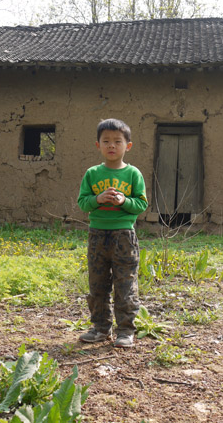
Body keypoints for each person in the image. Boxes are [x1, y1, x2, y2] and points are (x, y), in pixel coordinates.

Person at [77, 118, 148, 348]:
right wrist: (98, 199)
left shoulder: (133, 174)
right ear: (97, 145)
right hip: (97, 235)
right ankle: (100, 328)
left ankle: (126, 330)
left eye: (117, 141)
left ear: (128, 146)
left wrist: (123, 201)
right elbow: (83, 203)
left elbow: (141, 205)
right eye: (106, 141)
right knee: (97, 285)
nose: (111, 145)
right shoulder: (92, 174)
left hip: (124, 237)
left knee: (125, 284)